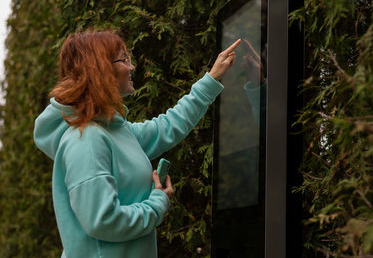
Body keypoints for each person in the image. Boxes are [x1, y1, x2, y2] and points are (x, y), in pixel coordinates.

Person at [33, 30, 241, 258]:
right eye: (124, 59)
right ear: (100, 69)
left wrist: (211, 79)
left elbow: (167, 126)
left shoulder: (115, 131)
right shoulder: (86, 139)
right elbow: (103, 221)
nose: (131, 67)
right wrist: (157, 204)